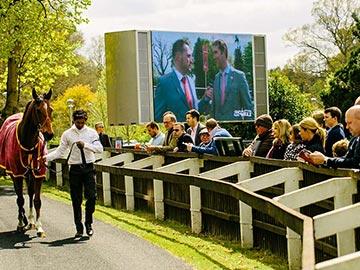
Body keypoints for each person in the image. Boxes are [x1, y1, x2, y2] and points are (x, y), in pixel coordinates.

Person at [44, 110, 103, 238]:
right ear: (73, 121)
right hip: (75, 169)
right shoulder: (67, 134)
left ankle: (88, 223)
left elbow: (100, 149)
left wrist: (86, 145)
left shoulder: (92, 133)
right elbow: (60, 152)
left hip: (88, 167)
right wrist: (45, 158)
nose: (80, 124)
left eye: (82, 122)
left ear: (85, 120)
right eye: (78, 122)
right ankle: (79, 227)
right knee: (76, 200)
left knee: (92, 197)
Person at [154, 39, 211, 122]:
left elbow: (195, 111)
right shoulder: (164, 83)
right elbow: (158, 117)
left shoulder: (191, 81)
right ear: (178, 57)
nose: (192, 60)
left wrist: (205, 99)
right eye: (188, 56)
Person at [209, 39, 253, 121]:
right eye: (213, 53)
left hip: (235, 129)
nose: (214, 57)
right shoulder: (216, 78)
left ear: (223, 52)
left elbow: (248, 107)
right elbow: (213, 109)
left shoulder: (239, 76)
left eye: (216, 52)